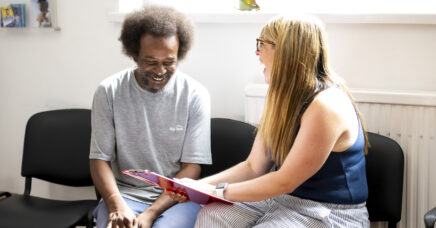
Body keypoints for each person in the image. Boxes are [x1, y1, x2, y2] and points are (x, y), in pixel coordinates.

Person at [173, 14, 371, 227]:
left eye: (262, 43)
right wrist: (194, 186)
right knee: (212, 215)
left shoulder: (326, 105)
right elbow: (252, 166)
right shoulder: (280, 96)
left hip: (327, 211)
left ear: (286, 50)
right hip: (284, 199)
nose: (256, 52)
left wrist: (217, 190)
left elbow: (285, 180)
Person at [89, 4, 211, 228]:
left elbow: (191, 169)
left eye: (169, 62)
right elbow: (99, 160)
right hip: (124, 195)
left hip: (177, 199)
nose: (160, 71)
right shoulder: (109, 91)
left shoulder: (196, 95)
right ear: (134, 54)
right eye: (151, 62)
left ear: (179, 55)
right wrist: (117, 206)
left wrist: (151, 213)